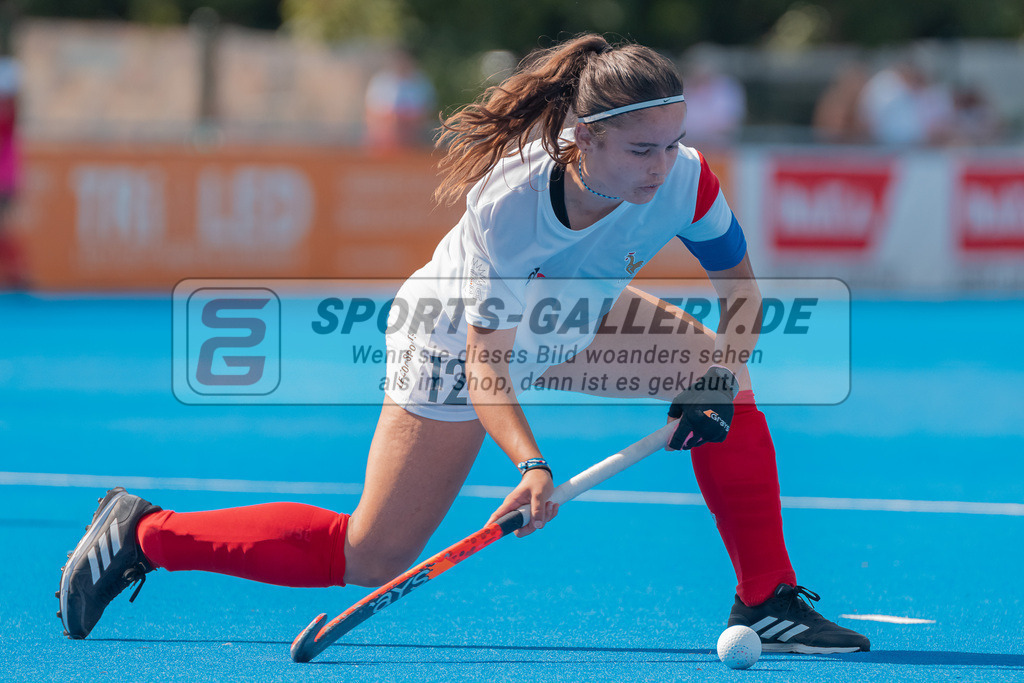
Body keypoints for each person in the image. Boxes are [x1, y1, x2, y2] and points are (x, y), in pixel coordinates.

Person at [58, 34, 869, 654]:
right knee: (373, 551)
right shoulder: (512, 205)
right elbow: (488, 365)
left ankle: (766, 597)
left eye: (670, 143)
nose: (662, 167)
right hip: (453, 338)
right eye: (640, 150)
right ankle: (145, 533)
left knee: (710, 367)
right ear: (583, 138)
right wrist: (532, 464)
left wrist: (720, 375)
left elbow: (743, 294)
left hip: (567, 317)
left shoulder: (686, 178)